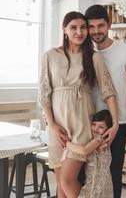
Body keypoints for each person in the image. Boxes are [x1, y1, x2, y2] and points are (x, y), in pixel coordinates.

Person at [38, 11, 118, 198]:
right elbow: (44, 93)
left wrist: (114, 125)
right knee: (60, 184)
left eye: (83, 27)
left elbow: (109, 92)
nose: (79, 32)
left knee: (67, 179)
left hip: (82, 123)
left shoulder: (94, 57)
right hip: (57, 125)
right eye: (73, 27)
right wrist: (52, 125)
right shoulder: (50, 55)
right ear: (64, 29)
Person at [85, 5, 126, 198]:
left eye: (100, 25)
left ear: (109, 24)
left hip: (117, 124)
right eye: (91, 26)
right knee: (87, 175)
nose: (96, 31)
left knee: (113, 174)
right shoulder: (83, 52)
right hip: (87, 123)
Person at [66, 109, 114, 198]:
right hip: (95, 180)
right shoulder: (96, 140)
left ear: (108, 129)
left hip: (97, 183)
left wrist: (67, 143)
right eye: (94, 124)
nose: (96, 129)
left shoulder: (99, 139)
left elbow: (84, 151)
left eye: (101, 127)